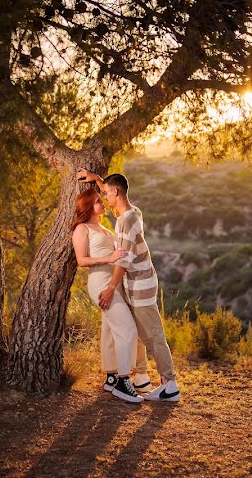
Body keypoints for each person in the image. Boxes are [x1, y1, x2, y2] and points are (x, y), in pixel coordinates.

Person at [76, 169, 181, 402]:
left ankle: (170, 384)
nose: (104, 198)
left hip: (140, 286)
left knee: (152, 334)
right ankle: (141, 377)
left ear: (115, 192)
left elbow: (122, 261)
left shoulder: (127, 221)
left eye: (106, 193)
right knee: (140, 332)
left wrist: (111, 288)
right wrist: (96, 179)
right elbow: (114, 194)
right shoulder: (132, 213)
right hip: (136, 284)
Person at [70, 188, 145, 403]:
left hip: (116, 284)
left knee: (111, 330)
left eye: (101, 200)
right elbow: (82, 261)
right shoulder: (82, 229)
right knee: (128, 328)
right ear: (87, 206)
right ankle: (123, 381)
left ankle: (111, 376)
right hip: (101, 284)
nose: (101, 203)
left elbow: (121, 199)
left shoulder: (104, 228)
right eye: (96, 201)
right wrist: (109, 258)